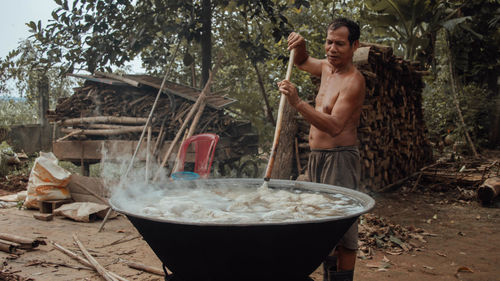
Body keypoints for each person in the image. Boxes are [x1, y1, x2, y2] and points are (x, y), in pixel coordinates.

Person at [277, 17, 365, 281]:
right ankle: (328, 276)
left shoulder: (353, 81)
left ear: (354, 46)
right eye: (328, 42)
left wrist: (297, 103)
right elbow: (303, 61)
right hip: (316, 159)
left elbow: (336, 126)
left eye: (340, 44)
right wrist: (300, 45)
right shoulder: (327, 68)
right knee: (320, 226)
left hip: (340, 160)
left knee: (343, 232)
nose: (332, 49)